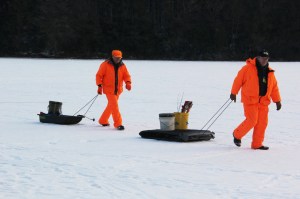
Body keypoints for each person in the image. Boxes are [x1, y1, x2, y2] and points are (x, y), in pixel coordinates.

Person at [230, 50, 281, 150]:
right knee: (252, 121)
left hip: (263, 102)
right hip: (250, 100)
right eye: (262, 58)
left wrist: (277, 100)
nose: (264, 60)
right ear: (257, 58)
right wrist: (233, 93)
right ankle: (237, 135)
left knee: (262, 123)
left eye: (266, 59)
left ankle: (257, 144)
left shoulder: (270, 72)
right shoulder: (247, 68)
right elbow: (238, 81)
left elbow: (274, 87)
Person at [96, 50, 132, 130]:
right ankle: (118, 124)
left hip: (118, 90)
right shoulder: (105, 64)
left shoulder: (122, 65)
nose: (117, 59)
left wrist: (128, 82)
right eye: (116, 57)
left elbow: (126, 75)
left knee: (111, 106)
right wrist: (99, 86)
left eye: (119, 58)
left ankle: (103, 120)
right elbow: (99, 75)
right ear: (112, 57)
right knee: (115, 106)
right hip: (108, 90)